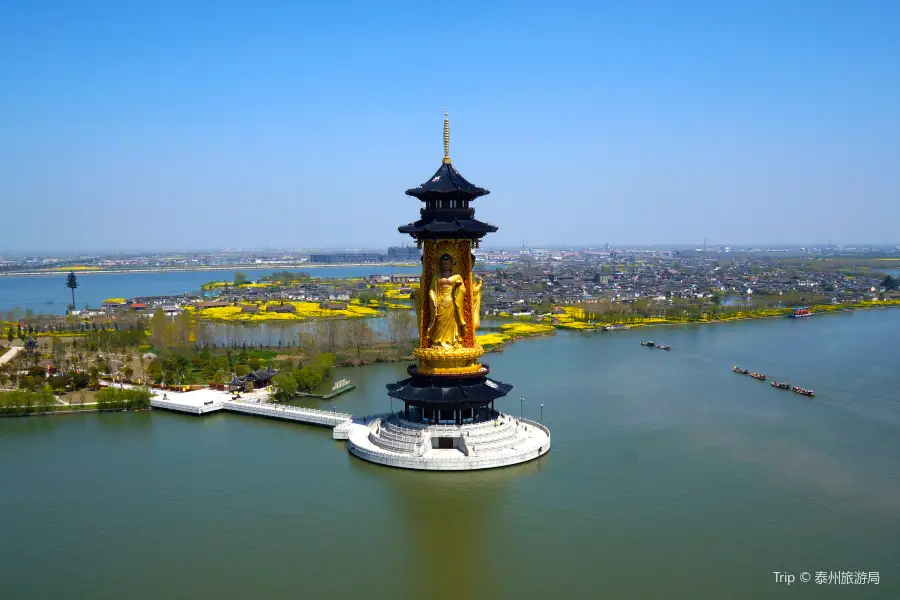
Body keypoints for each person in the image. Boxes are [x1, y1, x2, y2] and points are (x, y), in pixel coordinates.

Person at [427, 253, 466, 347]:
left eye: (447, 263)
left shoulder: (457, 277)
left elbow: (464, 291)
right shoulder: (436, 277)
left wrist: (458, 287)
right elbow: (431, 290)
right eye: (443, 264)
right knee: (439, 323)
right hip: (440, 302)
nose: (445, 265)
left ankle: (453, 341)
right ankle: (438, 341)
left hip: (452, 302)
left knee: (453, 323)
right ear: (440, 264)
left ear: (451, 264)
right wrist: (434, 299)